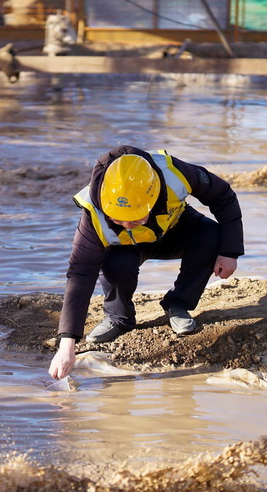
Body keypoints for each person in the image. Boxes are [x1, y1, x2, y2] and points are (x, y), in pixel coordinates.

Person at [48, 145, 244, 380]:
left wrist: (230, 252)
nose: (129, 224)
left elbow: (223, 196)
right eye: (120, 220)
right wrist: (66, 345)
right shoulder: (93, 212)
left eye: (136, 217)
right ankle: (119, 318)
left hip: (173, 229)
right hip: (126, 249)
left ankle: (178, 304)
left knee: (212, 236)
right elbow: (80, 274)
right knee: (113, 265)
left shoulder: (176, 173)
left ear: (152, 198)